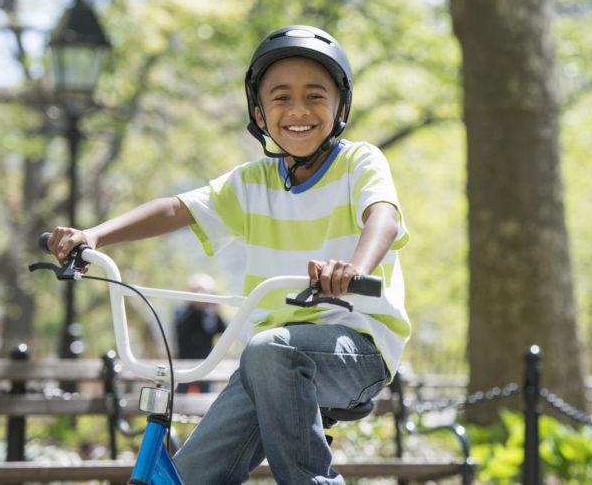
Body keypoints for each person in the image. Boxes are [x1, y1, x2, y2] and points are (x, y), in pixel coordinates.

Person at [47, 25, 410, 485]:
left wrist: (354, 268)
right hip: (267, 364)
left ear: (340, 106)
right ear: (259, 111)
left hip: (355, 348)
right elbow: (177, 208)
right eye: (281, 98)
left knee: (268, 349)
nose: (298, 110)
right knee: (190, 477)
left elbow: (383, 216)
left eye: (315, 96)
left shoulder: (360, 163)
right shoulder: (252, 182)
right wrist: (96, 235)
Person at [175, 272, 227, 394]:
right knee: (180, 401)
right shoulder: (182, 312)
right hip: (185, 365)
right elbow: (181, 329)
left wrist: (215, 309)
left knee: (207, 399)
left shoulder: (211, 314)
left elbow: (223, 330)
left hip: (206, 365)